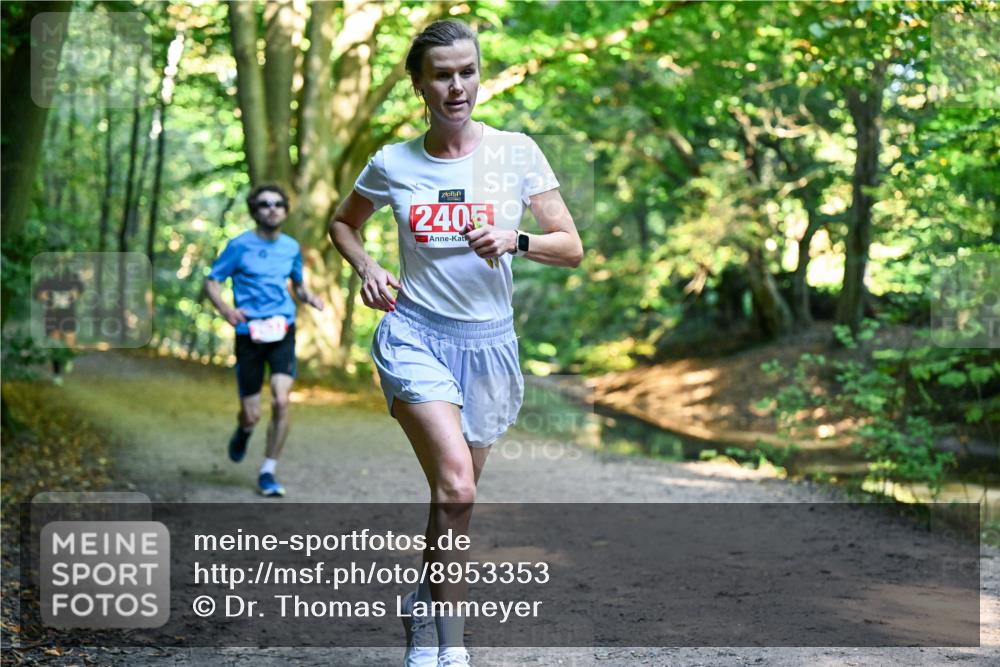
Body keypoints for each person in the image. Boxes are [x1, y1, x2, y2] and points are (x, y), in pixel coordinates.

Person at [329, 20, 582, 667]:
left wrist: (515, 240)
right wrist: (367, 267)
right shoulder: (393, 163)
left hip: (488, 346)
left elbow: (571, 247)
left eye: (466, 71)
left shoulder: (516, 153)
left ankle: (422, 601)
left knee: (452, 503)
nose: (457, 85)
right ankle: (451, 647)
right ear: (419, 85)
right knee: (458, 490)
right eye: (442, 74)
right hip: (416, 334)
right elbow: (342, 223)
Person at [205, 184, 325, 497]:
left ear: (285, 210)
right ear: (255, 211)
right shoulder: (238, 246)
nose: (271, 209)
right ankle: (244, 429)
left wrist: (309, 297)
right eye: (264, 204)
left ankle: (268, 470)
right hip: (249, 335)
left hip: (282, 330)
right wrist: (226, 310)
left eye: (277, 204)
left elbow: (297, 285)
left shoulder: (291, 247)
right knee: (252, 413)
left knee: (282, 399)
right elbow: (212, 281)